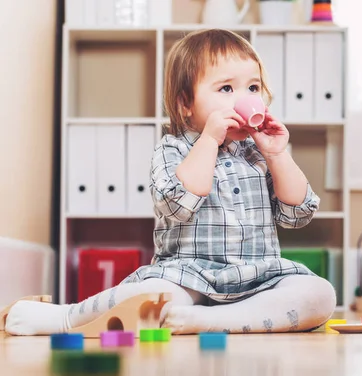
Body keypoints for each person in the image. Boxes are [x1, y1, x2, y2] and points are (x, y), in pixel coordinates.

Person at [6, 29, 336, 335]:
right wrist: (209, 140)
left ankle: (217, 321)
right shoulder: (174, 149)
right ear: (185, 104)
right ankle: (66, 317)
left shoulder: (259, 153)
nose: (244, 99)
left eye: (253, 88)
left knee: (320, 294)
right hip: (186, 277)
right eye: (226, 88)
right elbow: (178, 203)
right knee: (149, 298)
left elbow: (297, 213)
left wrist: (278, 155)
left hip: (257, 278)